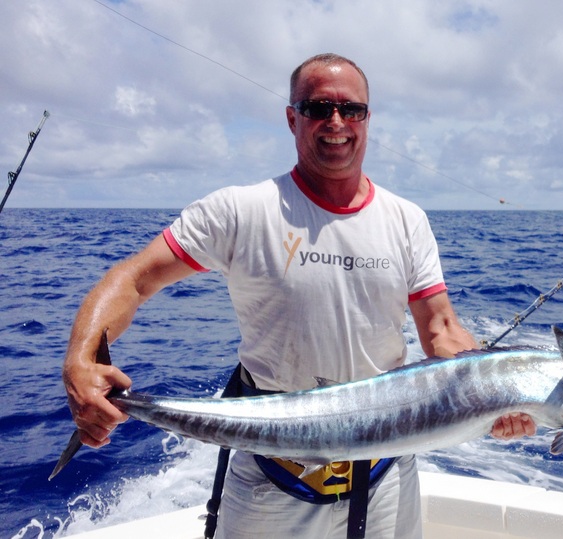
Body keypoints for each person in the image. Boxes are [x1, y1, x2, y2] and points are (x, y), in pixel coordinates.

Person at [61, 53, 536, 539]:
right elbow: (134, 279)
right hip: (272, 479)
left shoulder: (406, 219)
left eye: (351, 109)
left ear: (368, 118)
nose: (337, 122)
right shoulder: (241, 210)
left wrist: (494, 398)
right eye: (318, 108)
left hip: (386, 477)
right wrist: (81, 360)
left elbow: (440, 327)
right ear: (292, 118)